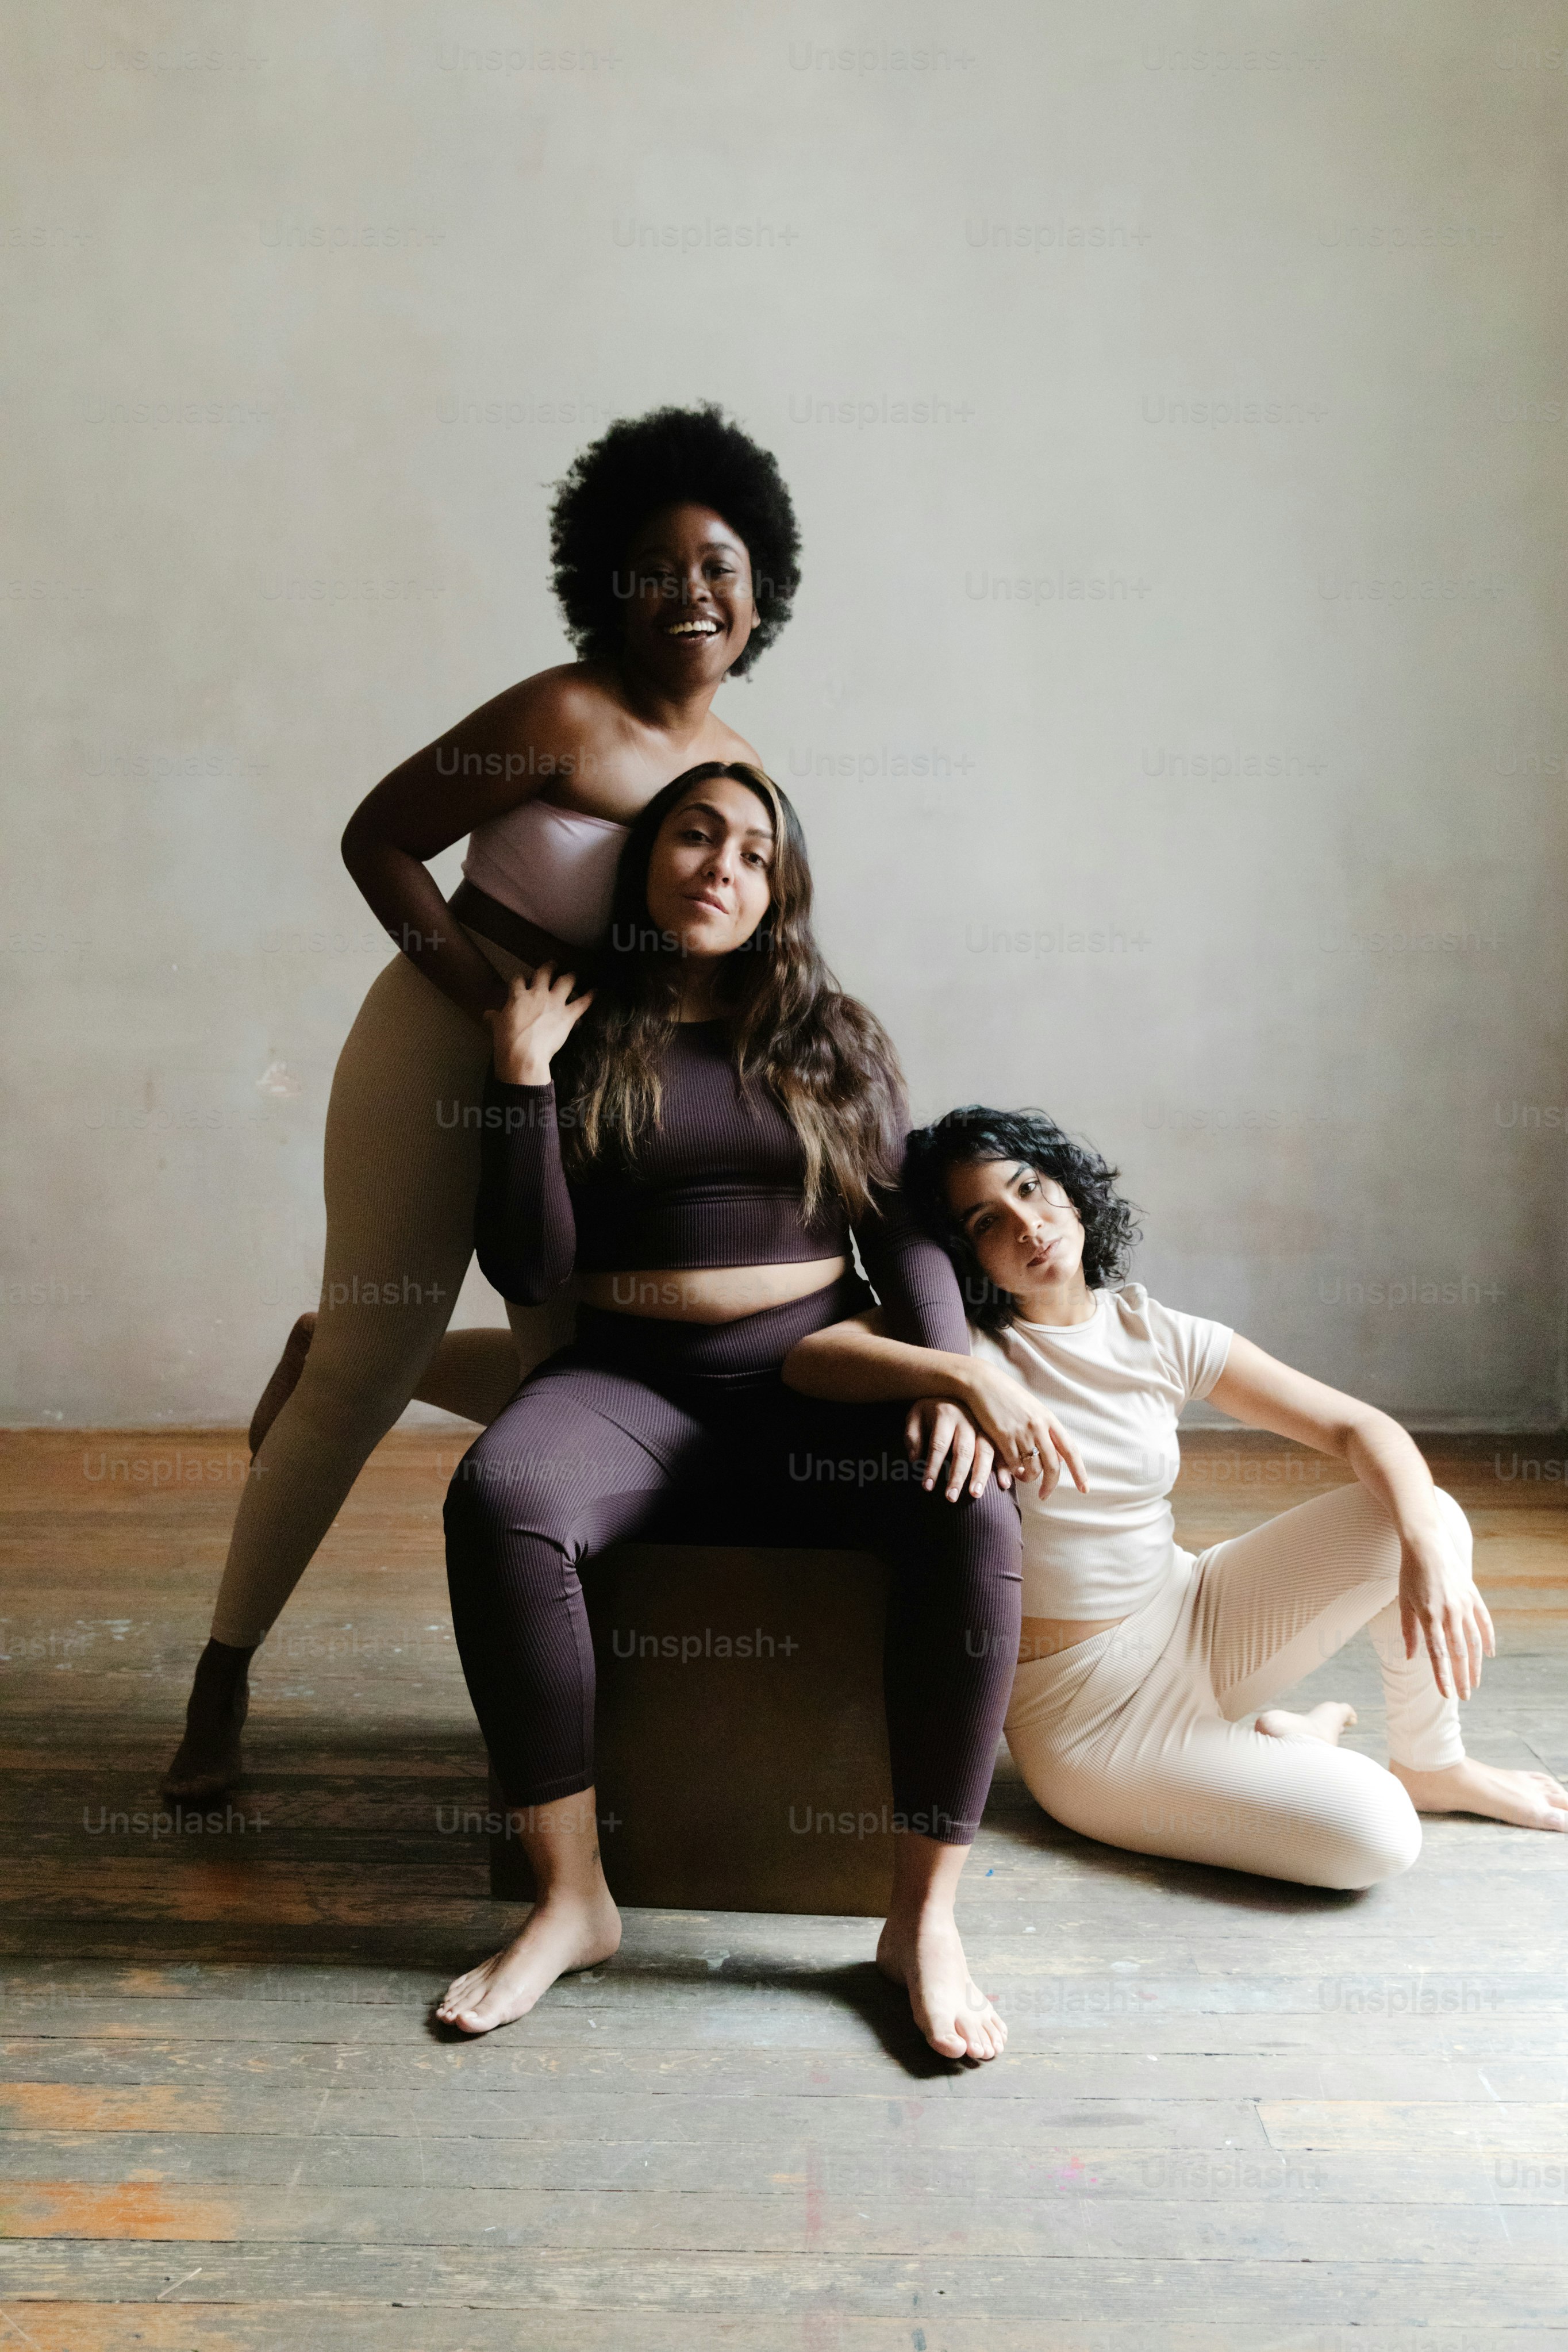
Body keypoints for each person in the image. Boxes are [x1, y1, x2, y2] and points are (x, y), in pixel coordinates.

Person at [164, 405, 803, 1800]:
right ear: (606, 586)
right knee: (361, 1382)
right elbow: (377, 839)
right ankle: (220, 1678)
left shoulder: (746, 772)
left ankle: (569, 1729)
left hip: (577, 1095)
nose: (688, 592)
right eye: (653, 567)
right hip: (445, 1036)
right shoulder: (559, 711)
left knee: (582, 1380)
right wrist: (488, 1007)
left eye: (718, 565)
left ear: (762, 588)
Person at [434, 767, 1022, 2061]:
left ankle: (919, 1920)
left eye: (755, 853)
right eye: (695, 835)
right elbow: (529, 1272)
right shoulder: (576, 1023)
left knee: (972, 1511)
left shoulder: (833, 1040)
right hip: (626, 1385)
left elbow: (903, 1231)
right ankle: (572, 1899)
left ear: (778, 893)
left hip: (810, 1376)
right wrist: (521, 1077)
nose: (720, 865)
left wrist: (947, 1370)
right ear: (649, 857)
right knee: (500, 1500)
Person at [781, 1104, 1568, 1891]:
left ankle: (1434, 1762)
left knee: (1424, 1515)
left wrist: (1428, 1553)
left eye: (1032, 1187)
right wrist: (965, 1377)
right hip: (1091, 1719)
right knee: (1377, 1838)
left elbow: (1359, 1428)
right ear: (966, 1252)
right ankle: (1291, 1748)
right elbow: (811, 1358)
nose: (1028, 1224)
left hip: (1196, 1612)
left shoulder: (1154, 1331)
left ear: (1073, 1190)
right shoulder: (972, 1347)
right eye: (989, 1219)